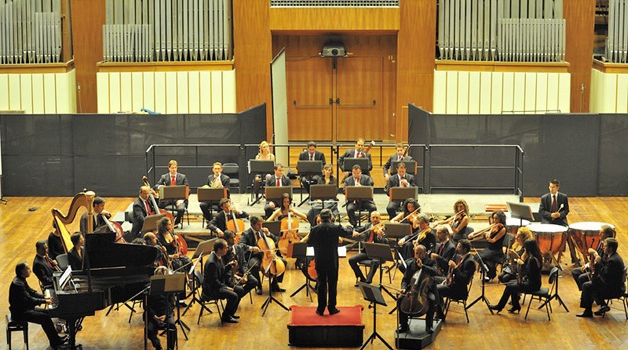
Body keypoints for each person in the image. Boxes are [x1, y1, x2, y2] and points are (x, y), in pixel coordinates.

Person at [9, 262, 68, 349]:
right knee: (44, 318)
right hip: (20, 313)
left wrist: (44, 296)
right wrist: (45, 300)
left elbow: (31, 292)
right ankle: (55, 342)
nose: (30, 271)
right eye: (28, 269)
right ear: (22, 271)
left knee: (47, 313)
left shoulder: (20, 279)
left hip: (25, 309)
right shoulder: (19, 284)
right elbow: (30, 299)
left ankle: (55, 339)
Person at [306, 209, 353, 316]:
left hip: (320, 259)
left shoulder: (315, 229)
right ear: (331, 217)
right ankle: (332, 308)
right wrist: (351, 228)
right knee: (332, 284)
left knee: (321, 284)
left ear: (321, 218)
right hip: (332, 260)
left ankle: (320, 309)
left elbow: (309, 243)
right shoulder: (335, 228)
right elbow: (346, 233)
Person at [490, 239, 543, 314]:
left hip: (532, 284)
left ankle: (500, 306)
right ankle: (515, 305)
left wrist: (522, 264)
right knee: (511, 283)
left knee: (509, 286)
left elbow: (528, 273)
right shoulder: (537, 256)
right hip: (535, 282)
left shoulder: (532, 259)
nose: (524, 249)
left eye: (525, 248)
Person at [577, 238, 626, 317]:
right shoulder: (613, 256)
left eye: (605, 246)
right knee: (590, 283)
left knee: (587, 286)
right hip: (614, 285)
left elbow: (605, 276)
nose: (603, 248)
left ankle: (588, 311)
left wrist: (599, 263)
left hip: (613, 289)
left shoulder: (613, 260)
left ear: (611, 248)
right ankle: (601, 305)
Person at [237, 216, 286, 295]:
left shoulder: (262, 232)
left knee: (283, 262)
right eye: (258, 225)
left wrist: (269, 233)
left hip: (267, 255)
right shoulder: (246, 234)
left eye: (261, 225)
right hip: (254, 255)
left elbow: (275, 240)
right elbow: (240, 245)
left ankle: (274, 285)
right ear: (252, 224)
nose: (260, 227)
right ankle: (258, 286)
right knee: (254, 265)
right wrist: (251, 247)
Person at [397, 245, 439, 334]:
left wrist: (422, 266)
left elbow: (434, 271)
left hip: (427, 290)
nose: (418, 255)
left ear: (425, 253)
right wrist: (404, 288)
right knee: (400, 299)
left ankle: (429, 326)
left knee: (431, 300)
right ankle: (403, 325)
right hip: (412, 289)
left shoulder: (431, 262)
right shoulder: (411, 263)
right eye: (417, 253)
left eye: (420, 253)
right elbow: (405, 279)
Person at [203, 238, 245, 324]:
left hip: (219, 284)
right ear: (219, 249)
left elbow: (221, 272)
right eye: (225, 248)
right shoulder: (212, 263)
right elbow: (214, 282)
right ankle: (225, 316)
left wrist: (229, 266)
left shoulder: (218, 257)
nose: (227, 249)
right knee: (234, 296)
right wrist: (226, 287)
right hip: (212, 289)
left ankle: (230, 313)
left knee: (240, 290)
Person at [436, 239, 476, 321]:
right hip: (452, 283)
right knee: (433, 281)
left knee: (435, 289)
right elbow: (452, 273)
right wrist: (446, 279)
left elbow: (464, 280)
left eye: (459, 247)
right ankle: (439, 307)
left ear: (464, 249)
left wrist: (455, 267)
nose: (456, 248)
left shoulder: (470, 262)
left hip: (458, 290)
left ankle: (440, 315)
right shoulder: (459, 257)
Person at [539, 179, 574, 263]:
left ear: (558, 187)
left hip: (560, 220)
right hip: (548, 220)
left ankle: (574, 256)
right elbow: (541, 211)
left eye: (553, 187)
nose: (551, 189)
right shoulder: (544, 198)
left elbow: (566, 210)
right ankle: (546, 255)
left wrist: (560, 215)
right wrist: (551, 215)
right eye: (550, 187)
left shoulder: (563, 197)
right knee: (546, 233)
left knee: (570, 233)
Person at [348, 211, 389, 286]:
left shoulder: (384, 228)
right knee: (351, 260)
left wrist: (379, 237)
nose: (375, 219)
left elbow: (386, 242)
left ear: (380, 218)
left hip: (378, 254)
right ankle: (362, 278)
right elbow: (357, 230)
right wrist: (355, 232)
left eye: (377, 217)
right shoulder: (367, 226)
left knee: (374, 262)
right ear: (370, 218)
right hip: (367, 252)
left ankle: (367, 281)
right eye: (373, 217)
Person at [572, 225, 615, 291]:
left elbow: (603, 262)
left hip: (598, 271)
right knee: (575, 272)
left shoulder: (608, 246)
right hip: (594, 267)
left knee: (581, 278)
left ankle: (588, 293)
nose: (599, 234)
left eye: (601, 232)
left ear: (607, 235)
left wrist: (594, 253)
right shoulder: (601, 242)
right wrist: (588, 265)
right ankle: (586, 293)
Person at [469, 210, 507, 281]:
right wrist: (473, 234)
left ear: (501, 219)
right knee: (477, 256)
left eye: (496, 219)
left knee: (482, 258)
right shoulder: (494, 226)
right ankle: (490, 269)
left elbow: (493, 240)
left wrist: (487, 236)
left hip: (496, 251)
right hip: (489, 249)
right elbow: (482, 231)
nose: (495, 220)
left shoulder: (503, 229)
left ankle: (490, 273)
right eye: (494, 218)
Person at [145, 266, 176, 350]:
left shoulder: (169, 287)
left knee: (172, 326)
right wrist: (154, 316)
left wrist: (165, 315)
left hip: (166, 313)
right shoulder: (149, 288)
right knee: (149, 330)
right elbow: (147, 306)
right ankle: (158, 346)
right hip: (154, 314)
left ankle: (170, 348)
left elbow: (171, 304)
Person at [222, 230, 258, 297]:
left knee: (254, 281)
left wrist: (245, 275)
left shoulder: (238, 248)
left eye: (234, 237)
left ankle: (238, 296)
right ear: (226, 239)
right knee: (239, 288)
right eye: (232, 238)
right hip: (231, 275)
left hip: (241, 271)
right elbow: (224, 269)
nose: (234, 239)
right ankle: (236, 296)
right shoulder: (223, 252)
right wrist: (237, 277)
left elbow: (244, 263)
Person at [156, 160, 189, 227]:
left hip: (179, 199)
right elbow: (156, 186)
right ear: (169, 168)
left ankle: (176, 222)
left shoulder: (183, 177)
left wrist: (181, 200)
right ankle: (164, 222)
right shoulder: (164, 177)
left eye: (175, 168)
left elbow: (188, 190)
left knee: (181, 209)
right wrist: (160, 186)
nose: (174, 169)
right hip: (167, 199)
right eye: (172, 168)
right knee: (159, 205)